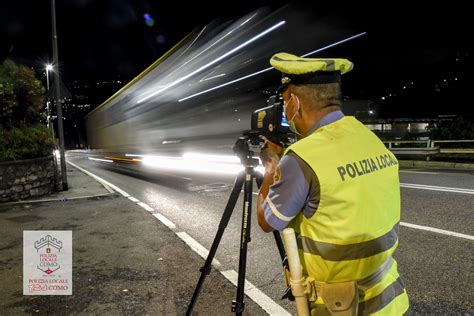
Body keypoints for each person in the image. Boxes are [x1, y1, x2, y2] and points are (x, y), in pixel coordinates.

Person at [256, 53, 409, 315]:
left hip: (342, 307)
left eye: (284, 103)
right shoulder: (368, 138)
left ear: (294, 101)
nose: (284, 111)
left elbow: (267, 221)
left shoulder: (302, 157)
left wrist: (272, 164)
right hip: (390, 298)